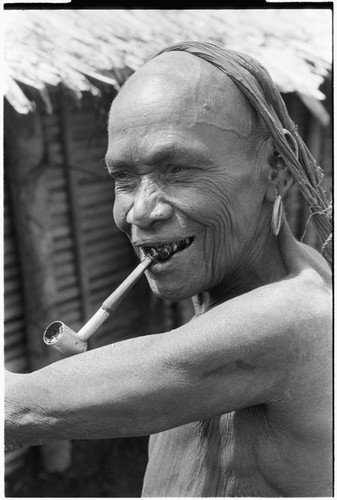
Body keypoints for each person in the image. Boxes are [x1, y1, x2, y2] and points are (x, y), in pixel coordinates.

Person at [5, 42, 332, 497]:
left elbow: (14, 411)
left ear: (275, 171)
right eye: (123, 178)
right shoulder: (254, 284)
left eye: (176, 170)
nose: (139, 212)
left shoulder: (296, 320)